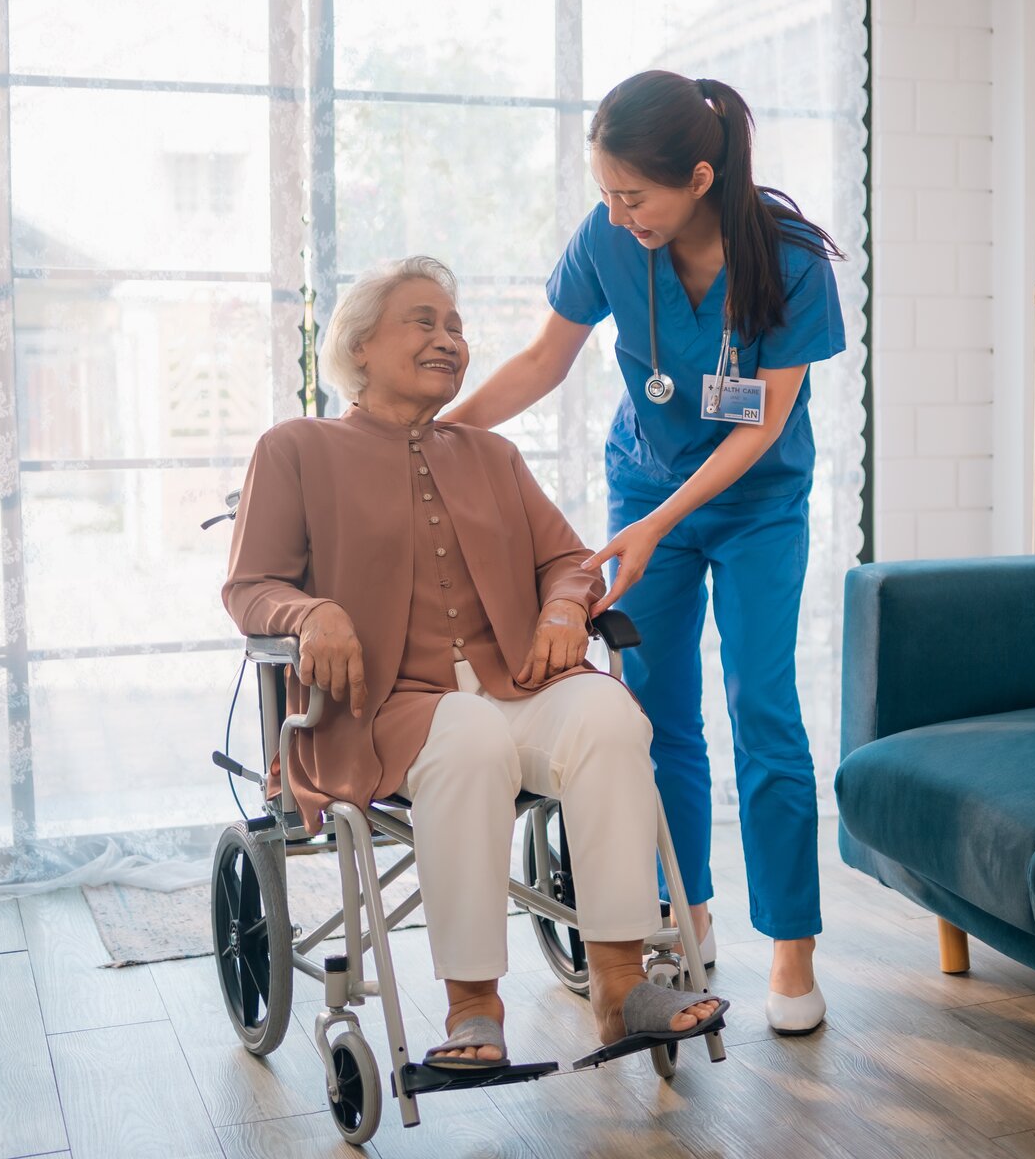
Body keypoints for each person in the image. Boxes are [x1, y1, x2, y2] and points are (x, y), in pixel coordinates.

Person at [223, 255, 725, 1071]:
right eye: (423, 322)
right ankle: (473, 1008)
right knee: (468, 737)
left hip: (515, 687)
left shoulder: (492, 457)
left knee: (608, 714)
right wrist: (311, 612)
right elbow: (251, 587)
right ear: (357, 346)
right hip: (385, 711)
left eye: (455, 327)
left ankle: (621, 985)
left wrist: (567, 606)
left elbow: (568, 558)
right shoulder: (296, 449)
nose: (449, 339)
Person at [445, 71, 845, 1035]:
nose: (618, 214)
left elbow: (764, 426)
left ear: (700, 177)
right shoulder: (609, 239)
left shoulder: (787, 260)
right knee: (656, 711)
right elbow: (547, 359)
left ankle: (792, 949)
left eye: (635, 196)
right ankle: (686, 918)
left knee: (762, 704)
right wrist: (443, 431)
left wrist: (661, 521)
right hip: (644, 485)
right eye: (607, 194)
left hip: (756, 505)